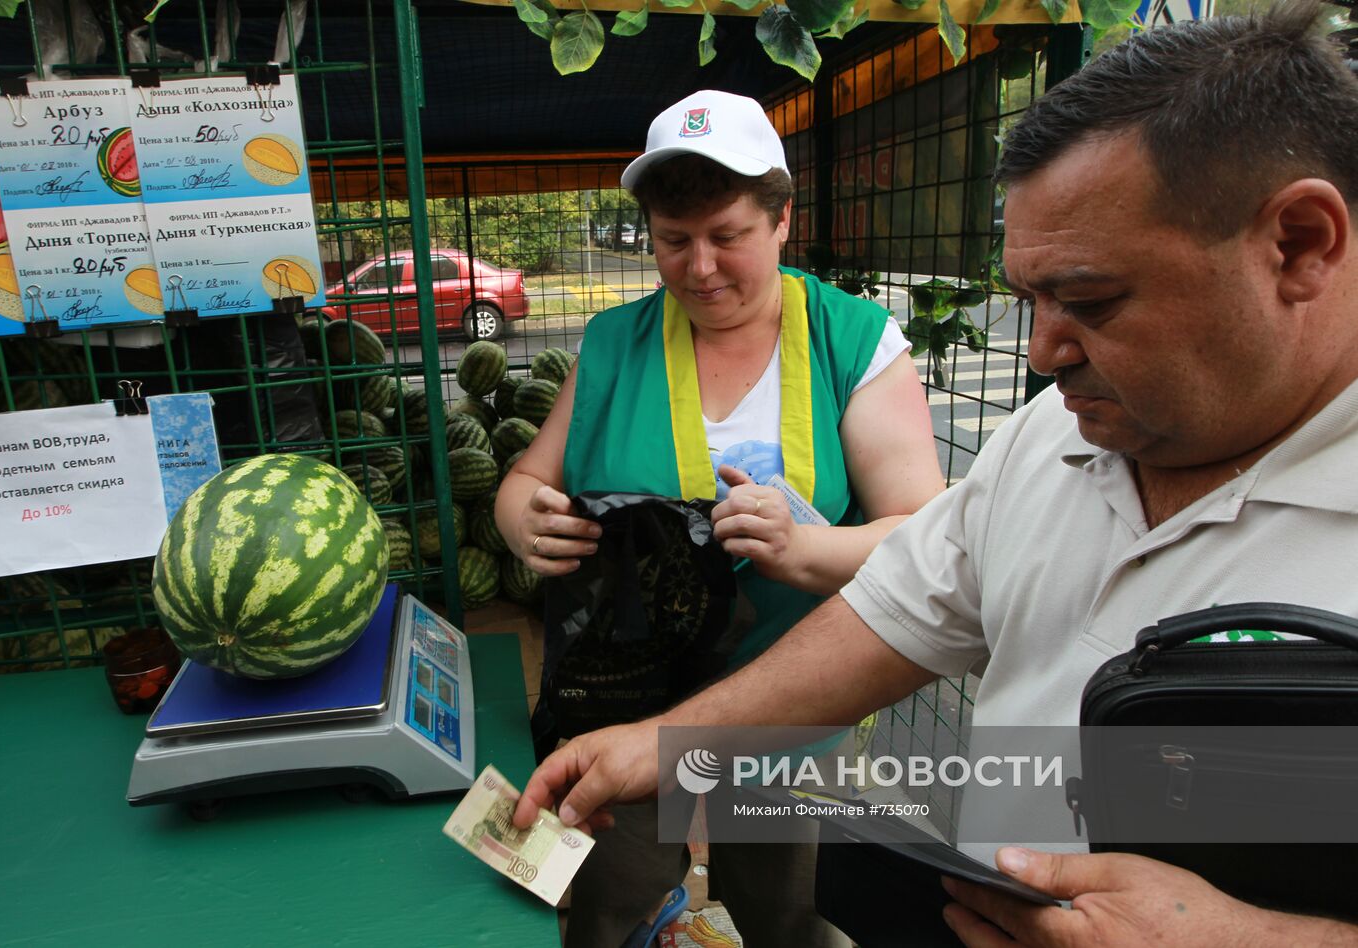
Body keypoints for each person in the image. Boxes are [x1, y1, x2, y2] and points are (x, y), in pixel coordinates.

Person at [512, 5, 1358, 945]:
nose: (1041, 353)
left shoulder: (846, 339)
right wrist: (662, 748)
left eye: (1090, 298)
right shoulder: (1053, 439)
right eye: (1028, 298)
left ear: (1300, 243)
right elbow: (900, 610)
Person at [494, 90, 945, 946]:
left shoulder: (855, 341)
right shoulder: (613, 343)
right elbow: (523, 481)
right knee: (609, 903)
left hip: (789, 712)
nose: (699, 266)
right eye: (673, 241)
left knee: (795, 914)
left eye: (727, 235)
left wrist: (803, 549)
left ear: (781, 220)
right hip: (623, 701)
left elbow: (921, 534)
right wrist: (526, 523)